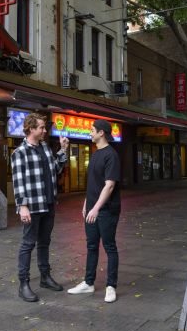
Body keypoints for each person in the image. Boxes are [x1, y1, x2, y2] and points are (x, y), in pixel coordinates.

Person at [11, 113, 69, 302]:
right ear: (31, 129)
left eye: (45, 127)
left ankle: (45, 277)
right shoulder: (20, 152)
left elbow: (56, 170)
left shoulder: (44, 147)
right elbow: (18, 182)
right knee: (28, 244)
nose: (45, 131)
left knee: (45, 242)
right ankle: (24, 284)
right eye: (42, 127)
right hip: (32, 205)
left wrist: (63, 150)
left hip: (49, 203)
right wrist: (23, 206)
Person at [67, 119, 121, 303]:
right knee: (91, 246)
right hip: (92, 208)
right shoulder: (96, 154)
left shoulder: (111, 155)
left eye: (92, 130)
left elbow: (110, 185)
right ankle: (88, 283)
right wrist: (86, 203)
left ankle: (111, 286)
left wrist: (96, 208)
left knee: (109, 247)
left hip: (106, 210)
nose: (89, 133)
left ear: (101, 133)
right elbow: (94, 184)